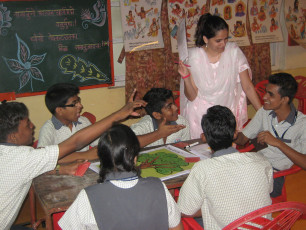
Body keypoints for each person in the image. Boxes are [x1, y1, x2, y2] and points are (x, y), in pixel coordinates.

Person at [0, 90, 146, 230]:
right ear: (13, 136)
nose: (32, 126)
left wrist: (59, 169)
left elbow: (34, 162)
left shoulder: (14, 155)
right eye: (27, 125)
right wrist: (118, 115)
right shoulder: (21, 158)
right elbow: (76, 142)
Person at [58, 124, 183, 230]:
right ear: (135, 158)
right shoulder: (158, 186)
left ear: (101, 159)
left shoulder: (88, 196)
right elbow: (176, 227)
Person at [177, 105, 273, 229]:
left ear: (204, 137)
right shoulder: (261, 161)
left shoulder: (202, 169)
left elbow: (184, 211)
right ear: (235, 134)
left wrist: (209, 206)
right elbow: (268, 190)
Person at [178, 13, 261, 139]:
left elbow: (248, 86)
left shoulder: (233, 52)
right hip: (200, 117)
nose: (223, 44)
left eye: (226, 38)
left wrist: (262, 114)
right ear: (206, 39)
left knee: (225, 153)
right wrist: (186, 78)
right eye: (218, 40)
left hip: (225, 115)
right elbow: (191, 96)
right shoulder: (194, 58)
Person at [235, 73, 306, 196]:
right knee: (223, 177)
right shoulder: (264, 112)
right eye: (266, 92)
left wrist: (278, 143)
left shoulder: (302, 124)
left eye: (270, 94)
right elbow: (242, 140)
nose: (264, 97)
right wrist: (230, 134)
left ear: (284, 99)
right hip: (256, 166)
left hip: (275, 175)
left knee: (235, 188)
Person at [38, 83, 98, 166]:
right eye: (74, 104)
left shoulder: (83, 121)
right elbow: (41, 159)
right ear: (60, 110)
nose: (80, 106)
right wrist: (84, 155)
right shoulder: (48, 129)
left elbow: (100, 145)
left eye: (79, 101)